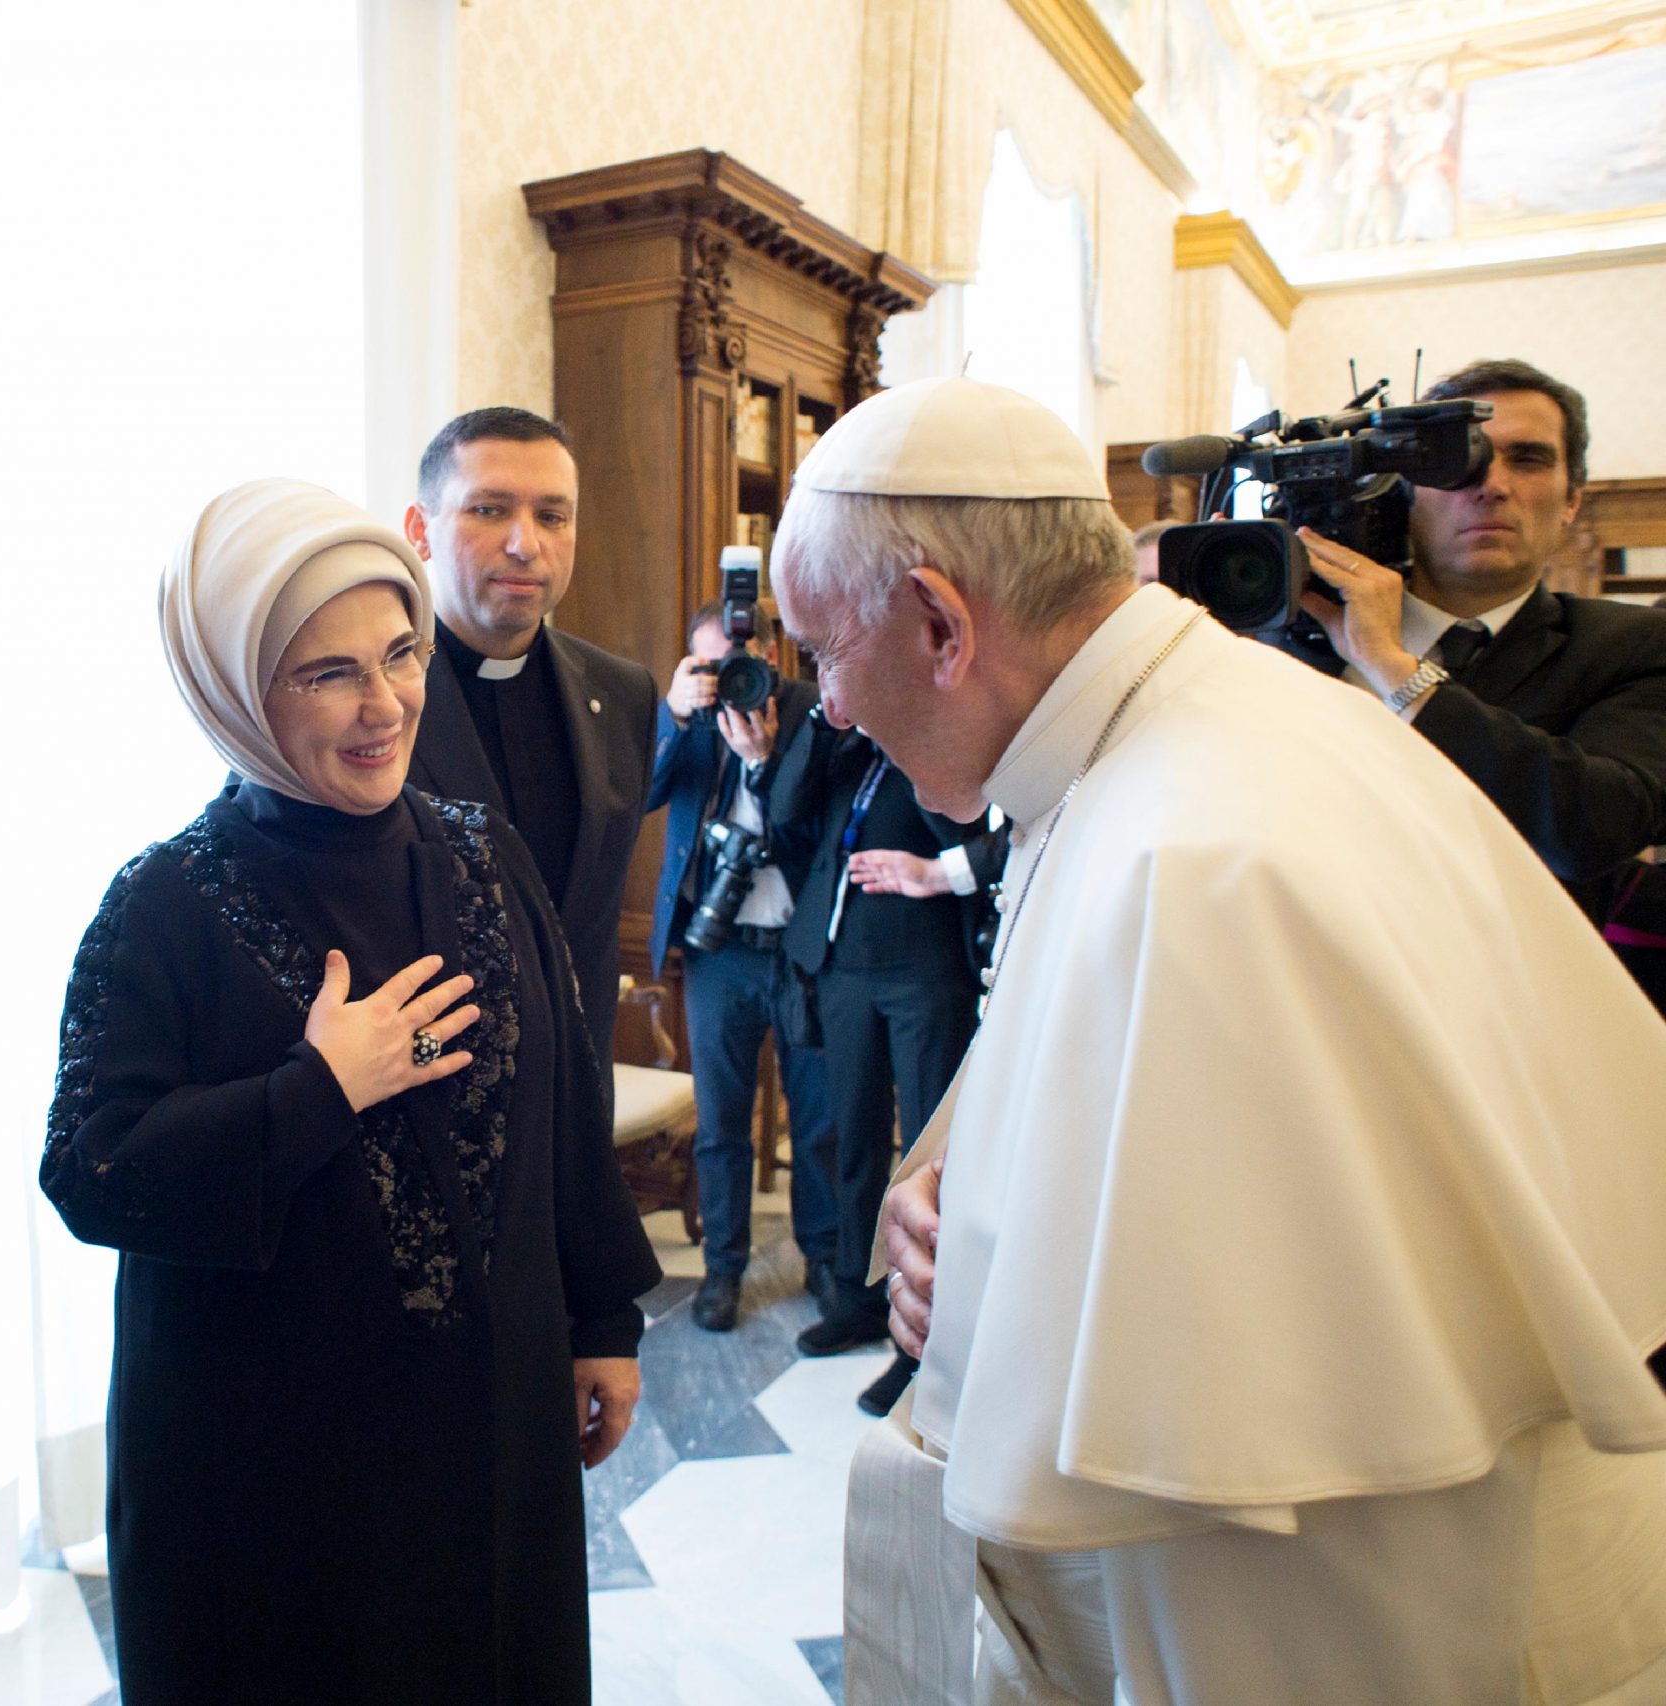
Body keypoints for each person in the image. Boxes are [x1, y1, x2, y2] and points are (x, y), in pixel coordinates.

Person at [777, 377, 1666, 1703]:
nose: (829, 711)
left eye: (822, 654)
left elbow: (1314, 1546)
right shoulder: (1176, 741)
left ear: (938, 622)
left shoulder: (1206, 859)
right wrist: (957, 1210)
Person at [44, 480, 660, 1706]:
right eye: (328, 675)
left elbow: (561, 1093)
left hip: (491, 1427)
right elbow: (92, 1169)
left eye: (400, 653)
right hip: (278, 1465)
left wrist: (602, 1318)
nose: (385, 707)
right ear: (235, 685)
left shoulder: (479, 851)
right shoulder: (162, 902)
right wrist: (318, 1087)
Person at [1290, 357, 1666, 924]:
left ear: (1572, 501)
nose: (1491, 485)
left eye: (1528, 459)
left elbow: (1590, 829)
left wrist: (1393, 668)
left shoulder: (1632, 647)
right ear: (1404, 491)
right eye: (1454, 460)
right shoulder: (1291, 639)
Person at [402, 407, 655, 1077]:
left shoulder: (625, 694)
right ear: (419, 531)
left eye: (553, 516)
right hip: (427, 1096)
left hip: (576, 1092)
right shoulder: (368, 698)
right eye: (488, 510)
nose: (525, 543)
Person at [646, 602, 835, 1332]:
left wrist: (765, 764)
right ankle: (722, 1270)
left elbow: (821, 829)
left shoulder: (810, 712)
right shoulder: (688, 719)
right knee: (720, 1121)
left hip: (797, 948)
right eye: (711, 667)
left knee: (816, 1117)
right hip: (715, 950)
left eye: (741, 662)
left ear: (773, 652)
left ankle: (822, 1258)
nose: (731, 679)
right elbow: (641, 792)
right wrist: (672, 714)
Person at [775, 732, 988, 1366]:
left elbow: (988, 837)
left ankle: (920, 1341)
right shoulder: (846, 749)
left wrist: (932, 872)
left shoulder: (943, 743)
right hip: (844, 972)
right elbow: (787, 810)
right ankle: (856, 1300)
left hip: (925, 974)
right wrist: (828, 719)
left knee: (924, 1153)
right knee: (853, 1142)